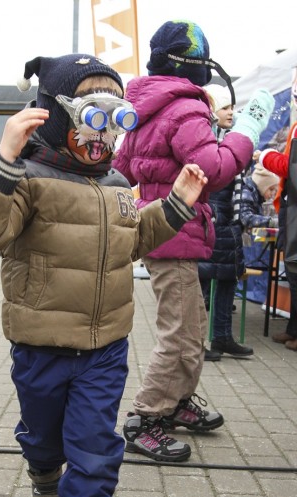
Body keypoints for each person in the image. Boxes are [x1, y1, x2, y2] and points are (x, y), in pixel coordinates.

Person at [0, 52, 208, 497]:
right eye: (94, 112)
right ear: (59, 114)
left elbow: (133, 241)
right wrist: (2, 158)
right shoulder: (29, 178)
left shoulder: (115, 182)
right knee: (44, 433)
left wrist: (175, 206)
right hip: (41, 341)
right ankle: (44, 477)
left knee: (94, 440)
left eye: (117, 116)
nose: (104, 132)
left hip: (105, 345)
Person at [112, 20, 274, 462]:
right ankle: (146, 418)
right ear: (196, 65)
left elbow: (120, 169)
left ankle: (178, 403)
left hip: (163, 231)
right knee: (181, 335)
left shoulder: (146, 107)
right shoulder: (184, 107)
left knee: (191, 328)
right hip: (177, 233)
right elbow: (215, 168)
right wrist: (246, 132)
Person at [199, 84, 254, 358]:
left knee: (227, 279)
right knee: (199, 281)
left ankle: (221, 337)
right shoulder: (205, 139)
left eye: (232, 107)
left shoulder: (230, 137)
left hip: (228, 222)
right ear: (212, 110)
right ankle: (195, 342)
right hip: (210, 218)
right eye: (225, 107)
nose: (231, 112)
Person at [258, 121, 297, 350]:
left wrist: (265, 156)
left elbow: (290, 167)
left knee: (294, 271)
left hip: (293, 210)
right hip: (290, 207)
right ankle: (293, 329)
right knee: (292, 272)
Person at [238, 163, 279, 229]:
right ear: (262, 185)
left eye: (275, 191)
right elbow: (246, 218)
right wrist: (270, 222)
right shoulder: (247, 193)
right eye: (271, 189)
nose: (272, 194)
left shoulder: (256, 196)